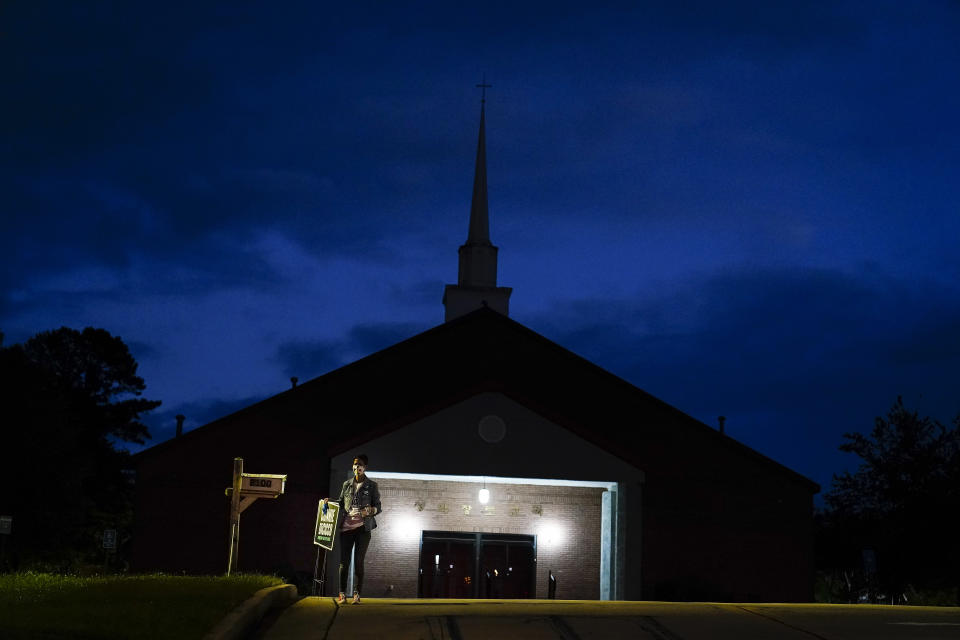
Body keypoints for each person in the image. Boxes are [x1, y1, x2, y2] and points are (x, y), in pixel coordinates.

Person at [323, 454, 381, 604]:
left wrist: (369, 510)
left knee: (359, 563)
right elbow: (342, 502)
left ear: (365, 467)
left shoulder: (372, 485)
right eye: (355, 464)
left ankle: (357, 594)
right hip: (347, 528)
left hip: (363, 528)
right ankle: (342, 594)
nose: (357, 467)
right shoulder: (347, 484)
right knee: (344, 562)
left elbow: (378, 507)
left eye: (360, 465)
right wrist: (330, 502)